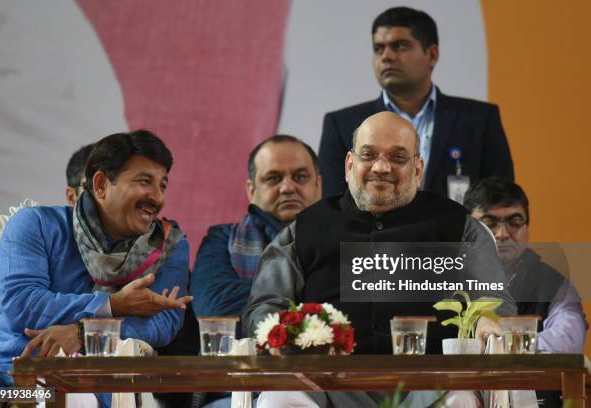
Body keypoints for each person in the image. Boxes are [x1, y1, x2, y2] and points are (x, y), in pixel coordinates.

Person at [244, 112, 516, 408]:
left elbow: (494, 300)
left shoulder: (458, 226)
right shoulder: (305, 228)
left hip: (430, 384)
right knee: (279, 399)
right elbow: (265, 306)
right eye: (368, 155)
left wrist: (488, 322)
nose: (381, 167)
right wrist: (289, 335)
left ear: (417, 170)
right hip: (324, 384)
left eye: (398, 157)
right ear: (349, 165)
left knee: (459, 401)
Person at [0, 130, 192, 406]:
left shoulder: (167, 245)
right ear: (101, 184)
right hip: (0, 375)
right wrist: (112, 305)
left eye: (163, 185)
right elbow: (22, 304)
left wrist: (84, 333)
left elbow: (163, 322)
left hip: (89, 383)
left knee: (72, 400)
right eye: (144, 182)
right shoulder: (35, 225)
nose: (157, 197)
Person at [318, 6, 514, 199]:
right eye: (379, 48)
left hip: (455, 231)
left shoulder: (478, 120)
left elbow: (501, 201)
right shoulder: (342, 124)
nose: (386, 56)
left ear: (432, 55)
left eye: (400, 46)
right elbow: (333, 206)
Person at [191, 135, 322, 322]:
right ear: (251, 191)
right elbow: (214, 307)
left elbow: (359, 311)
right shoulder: (222, 239)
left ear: (318, 185)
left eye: (300, 177)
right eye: (273, 178)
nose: (287, 188)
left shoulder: (345, 239)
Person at [463, 177, 587, 354]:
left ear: (527, 228)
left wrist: (505, 344)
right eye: (489, 224)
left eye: (514, 222)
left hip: (530, 381)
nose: (502, 234)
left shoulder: (553, 283)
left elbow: (569, 339)